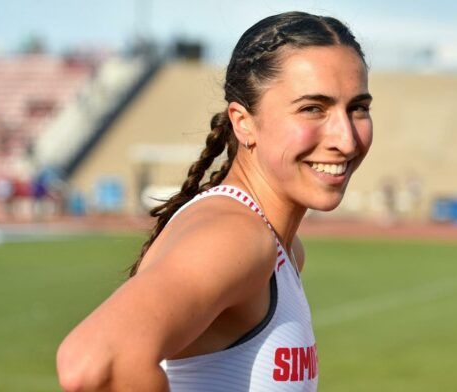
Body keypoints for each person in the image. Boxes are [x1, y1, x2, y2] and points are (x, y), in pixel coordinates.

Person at [56, 11, 373, 391]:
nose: (347, 139)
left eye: (358, 108)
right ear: (243, 122)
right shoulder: (237, 237)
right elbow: (96, 361)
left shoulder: (280, 247)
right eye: (312, 109)